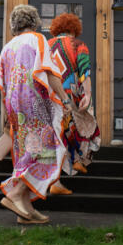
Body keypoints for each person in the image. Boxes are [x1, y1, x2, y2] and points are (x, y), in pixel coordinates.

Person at [0, 4, 78, 224]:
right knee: (47, 150)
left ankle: (26, 212)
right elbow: (50, 73)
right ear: (34, 22)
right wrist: (66, 99)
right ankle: (14, 193)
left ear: (14, 25)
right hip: (34, 104)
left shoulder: (7, 47)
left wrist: (4, 120)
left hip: (15, 109)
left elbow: (2, 86)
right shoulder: (38, 39)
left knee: (27, 153)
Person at [47, 13, 101, 196]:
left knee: (58, 134)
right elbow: (85, 71)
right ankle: (72, 166)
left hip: (51, 97)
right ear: (74, 29)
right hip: (71, 95)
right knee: (83, 125)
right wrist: (88, 93)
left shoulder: (46, 45)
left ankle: (63, 173)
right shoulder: (78, 45)